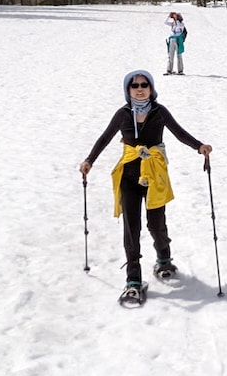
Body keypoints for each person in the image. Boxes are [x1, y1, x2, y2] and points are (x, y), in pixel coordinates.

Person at [79, 69, 212, 303]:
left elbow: (179, 133)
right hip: (128, 176)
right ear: (128, 90)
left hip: (154, 175)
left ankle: (163, 258)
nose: (140, 89)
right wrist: (89, 160)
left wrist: (199, 146)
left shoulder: (160, 112)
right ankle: (133, 279)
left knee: (156, 223)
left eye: (144, 85)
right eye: (134, 85)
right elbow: (104, 138)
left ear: (151, 89)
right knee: (131, 228)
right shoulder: (122, 114)